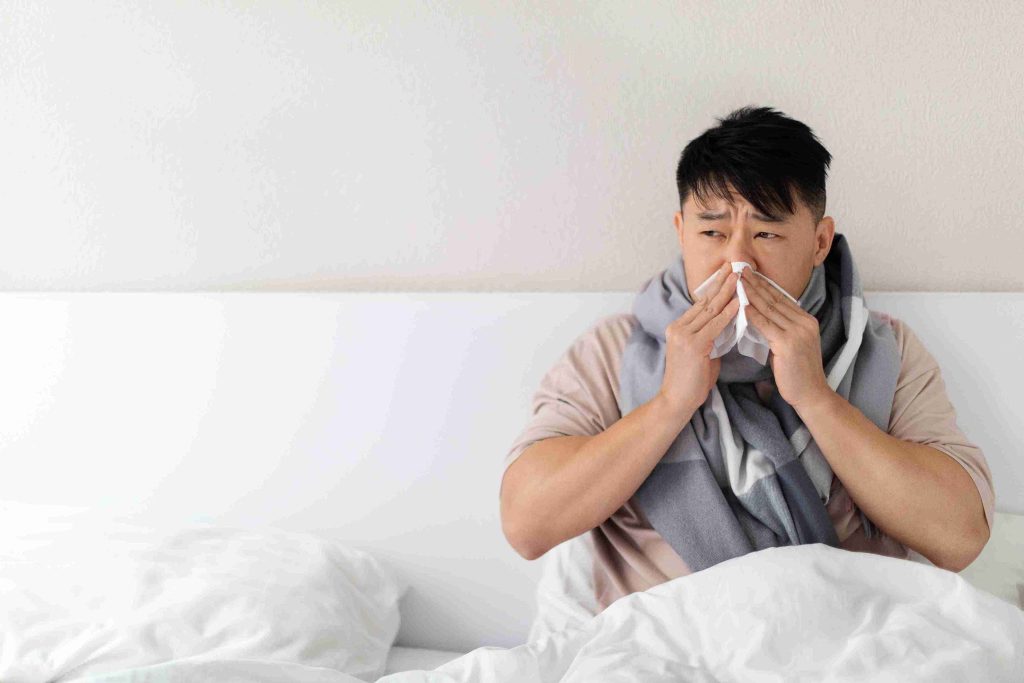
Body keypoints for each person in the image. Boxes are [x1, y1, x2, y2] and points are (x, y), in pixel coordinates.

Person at [498, 105, 995, 613]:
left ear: (820, 241)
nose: (738, 261)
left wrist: (816, 398)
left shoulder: (880, 347)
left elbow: (960, 537)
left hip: (849, 631)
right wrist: (671, 403)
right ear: (681, 230)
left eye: (767, 234)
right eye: (712, 233)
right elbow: (526, 525)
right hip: (666, 644)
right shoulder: (615, 352)